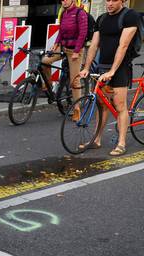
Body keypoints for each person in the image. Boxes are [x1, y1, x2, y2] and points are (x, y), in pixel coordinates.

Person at [79, 0, 139, 156]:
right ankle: (97, 139)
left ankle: (121, 143)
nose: (110, 3)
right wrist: (86, 67)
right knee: (102, 104)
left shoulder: (130, 16)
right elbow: (94, 45)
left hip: (120, 68)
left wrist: (113, 70)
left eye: (114, 0)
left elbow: (123, 45)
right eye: (108, 0)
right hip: (102, 66)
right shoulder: (102, 18)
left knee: (120, 106)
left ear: (123, 1)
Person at [42, 0, 88, 121]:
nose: (64, 1)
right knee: (45, 61)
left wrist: (77, 51)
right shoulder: (63, 13)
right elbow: (61, 31)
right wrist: (56, 43)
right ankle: (49, 84)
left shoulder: (80, 13)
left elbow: (83, 34)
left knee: (75, 81)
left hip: (75, 50)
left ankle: (77, 109)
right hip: (63, 47)